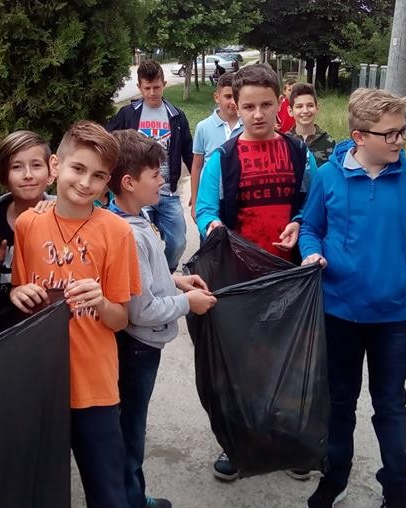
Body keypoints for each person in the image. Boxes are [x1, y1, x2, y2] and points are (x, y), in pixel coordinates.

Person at [298, 88, 406, 508]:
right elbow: (311, 227)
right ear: (359, 137)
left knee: (390, 405)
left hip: (394, 317)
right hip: (338, 311)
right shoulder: (329, 176)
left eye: (402, 131)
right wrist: (311, 251)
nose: (400, 140)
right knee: (339, 403)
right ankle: (334, 478)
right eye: (390, 134)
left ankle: (396, 489)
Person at [9, 121, 141, 507]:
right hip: (40, 384)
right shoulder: (28, 224)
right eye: (78, 169)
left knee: (107, 491)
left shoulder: (117, 232)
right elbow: (19, 289)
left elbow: (121, 319)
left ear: (108, 181)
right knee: (40, 490)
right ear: (56, 166)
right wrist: (18, 293)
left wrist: (101, 302)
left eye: (98, 176)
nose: (85, 183)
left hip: (95, 385)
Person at [194, 63, 316, 480]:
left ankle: (290, 441)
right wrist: (213, 226)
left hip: (289, 278)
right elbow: (204, 209)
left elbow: (314, 205)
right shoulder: (223, 158)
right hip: (240, 281)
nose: (258, 114)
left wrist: (299, 221)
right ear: (236, 106)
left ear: (280, 103)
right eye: (248, 106)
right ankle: (239, 443)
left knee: (290, 360)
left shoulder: (299, 153)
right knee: (243, 364)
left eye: (266, 105)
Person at [107, 130, 217, 508]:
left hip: (140, 346)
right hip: (137, 348)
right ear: (128, 182)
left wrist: (176, 280)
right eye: (155, 175)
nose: (163, 182)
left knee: (130, 426)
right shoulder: (129, 235)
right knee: (130, 429)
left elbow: (146, 280)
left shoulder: (135, 218)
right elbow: (141, 310)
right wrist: (188, 303)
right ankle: (131, 499)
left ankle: (132, 494)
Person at [107, 59, 193, 272]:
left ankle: (166, 272)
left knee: (178, 241)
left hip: (167, 191)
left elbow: (188, 153)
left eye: (156, 87)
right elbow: (107, 139)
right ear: (139, 87)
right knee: (142, 241)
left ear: (164, 84)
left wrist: (197, 189)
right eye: (147, 88)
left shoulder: (176, 116)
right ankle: (147, 275)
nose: (152, 93)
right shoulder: (129, 114)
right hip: (136, 191)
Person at [0, 130, 54, 313]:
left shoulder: (62, 213)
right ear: (4, 177)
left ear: (51, 172)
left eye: (36, 165)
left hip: (47, 319)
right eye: (17, 167)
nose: (28, 175)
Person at [189, 71, 242, 221]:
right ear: (217, 97)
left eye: (236, 96)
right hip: (210, 198)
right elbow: (197, 166)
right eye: (228, 96)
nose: (233, 102)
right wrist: (195, 201)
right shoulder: (203, 127)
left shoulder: (248, 127)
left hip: (239, 198)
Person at [288, 83, 336, 166]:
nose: (305, 111)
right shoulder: (284, 142)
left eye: (310, 105)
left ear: (317, 108)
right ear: (290, 111)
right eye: (299, 106)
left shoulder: (329, 142)